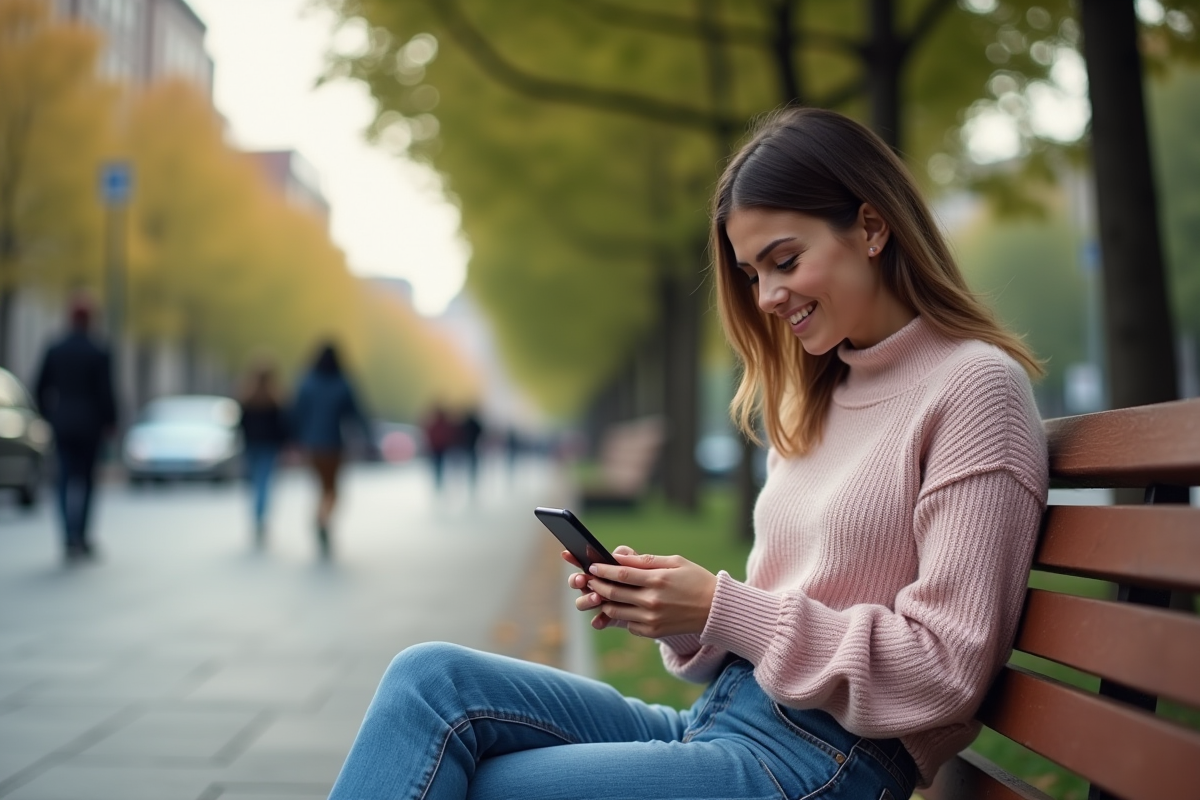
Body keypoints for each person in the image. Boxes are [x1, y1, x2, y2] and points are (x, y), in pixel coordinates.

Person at [326, 108, 1049, 799]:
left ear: (871, 226)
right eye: (751, 273)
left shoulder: (973, 387)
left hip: (824, 767)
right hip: (726, 725)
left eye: (784, 260)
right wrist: (682, 614)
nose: (766, 295)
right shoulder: (819, 395)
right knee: (430, 680)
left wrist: (724, 608)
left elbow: (945, 669)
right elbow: (766, 624)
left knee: (474, 787)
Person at [34, 295, 117, 564]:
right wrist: (110, 421)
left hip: (63, 422)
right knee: (87, 481)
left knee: (64, 479)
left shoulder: (56, 348)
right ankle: (81, 534)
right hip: (91, 424)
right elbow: (106, 392)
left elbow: (40, 386)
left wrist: (49, 415)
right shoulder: (98, 350)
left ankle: (67, 535)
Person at [289, 342, 372, 559]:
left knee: (321, 487)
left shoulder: (307, 381)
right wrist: (368, 437)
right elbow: (356, 413)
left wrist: (293, 439)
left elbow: (296, 412)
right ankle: (323, 518)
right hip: (333, 444)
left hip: (311, 445)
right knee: (332, 490)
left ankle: (320, 517)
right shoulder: (343, 382)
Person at [237, 358, 289, 548]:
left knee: (254, 483)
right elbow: (283, 425)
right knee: (264, 482)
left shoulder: (247, 397)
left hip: (252, 446)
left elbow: (241, 424)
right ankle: (260, 517)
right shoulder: (276, 398)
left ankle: (256, 516)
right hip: (269, 446)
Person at [421, 404, 456, 492]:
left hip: (439, 447)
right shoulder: (441, 424)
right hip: (439, 447)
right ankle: (439, 482)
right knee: (440, 465)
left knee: (439, 465)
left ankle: (439, 482)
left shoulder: (437, 424)